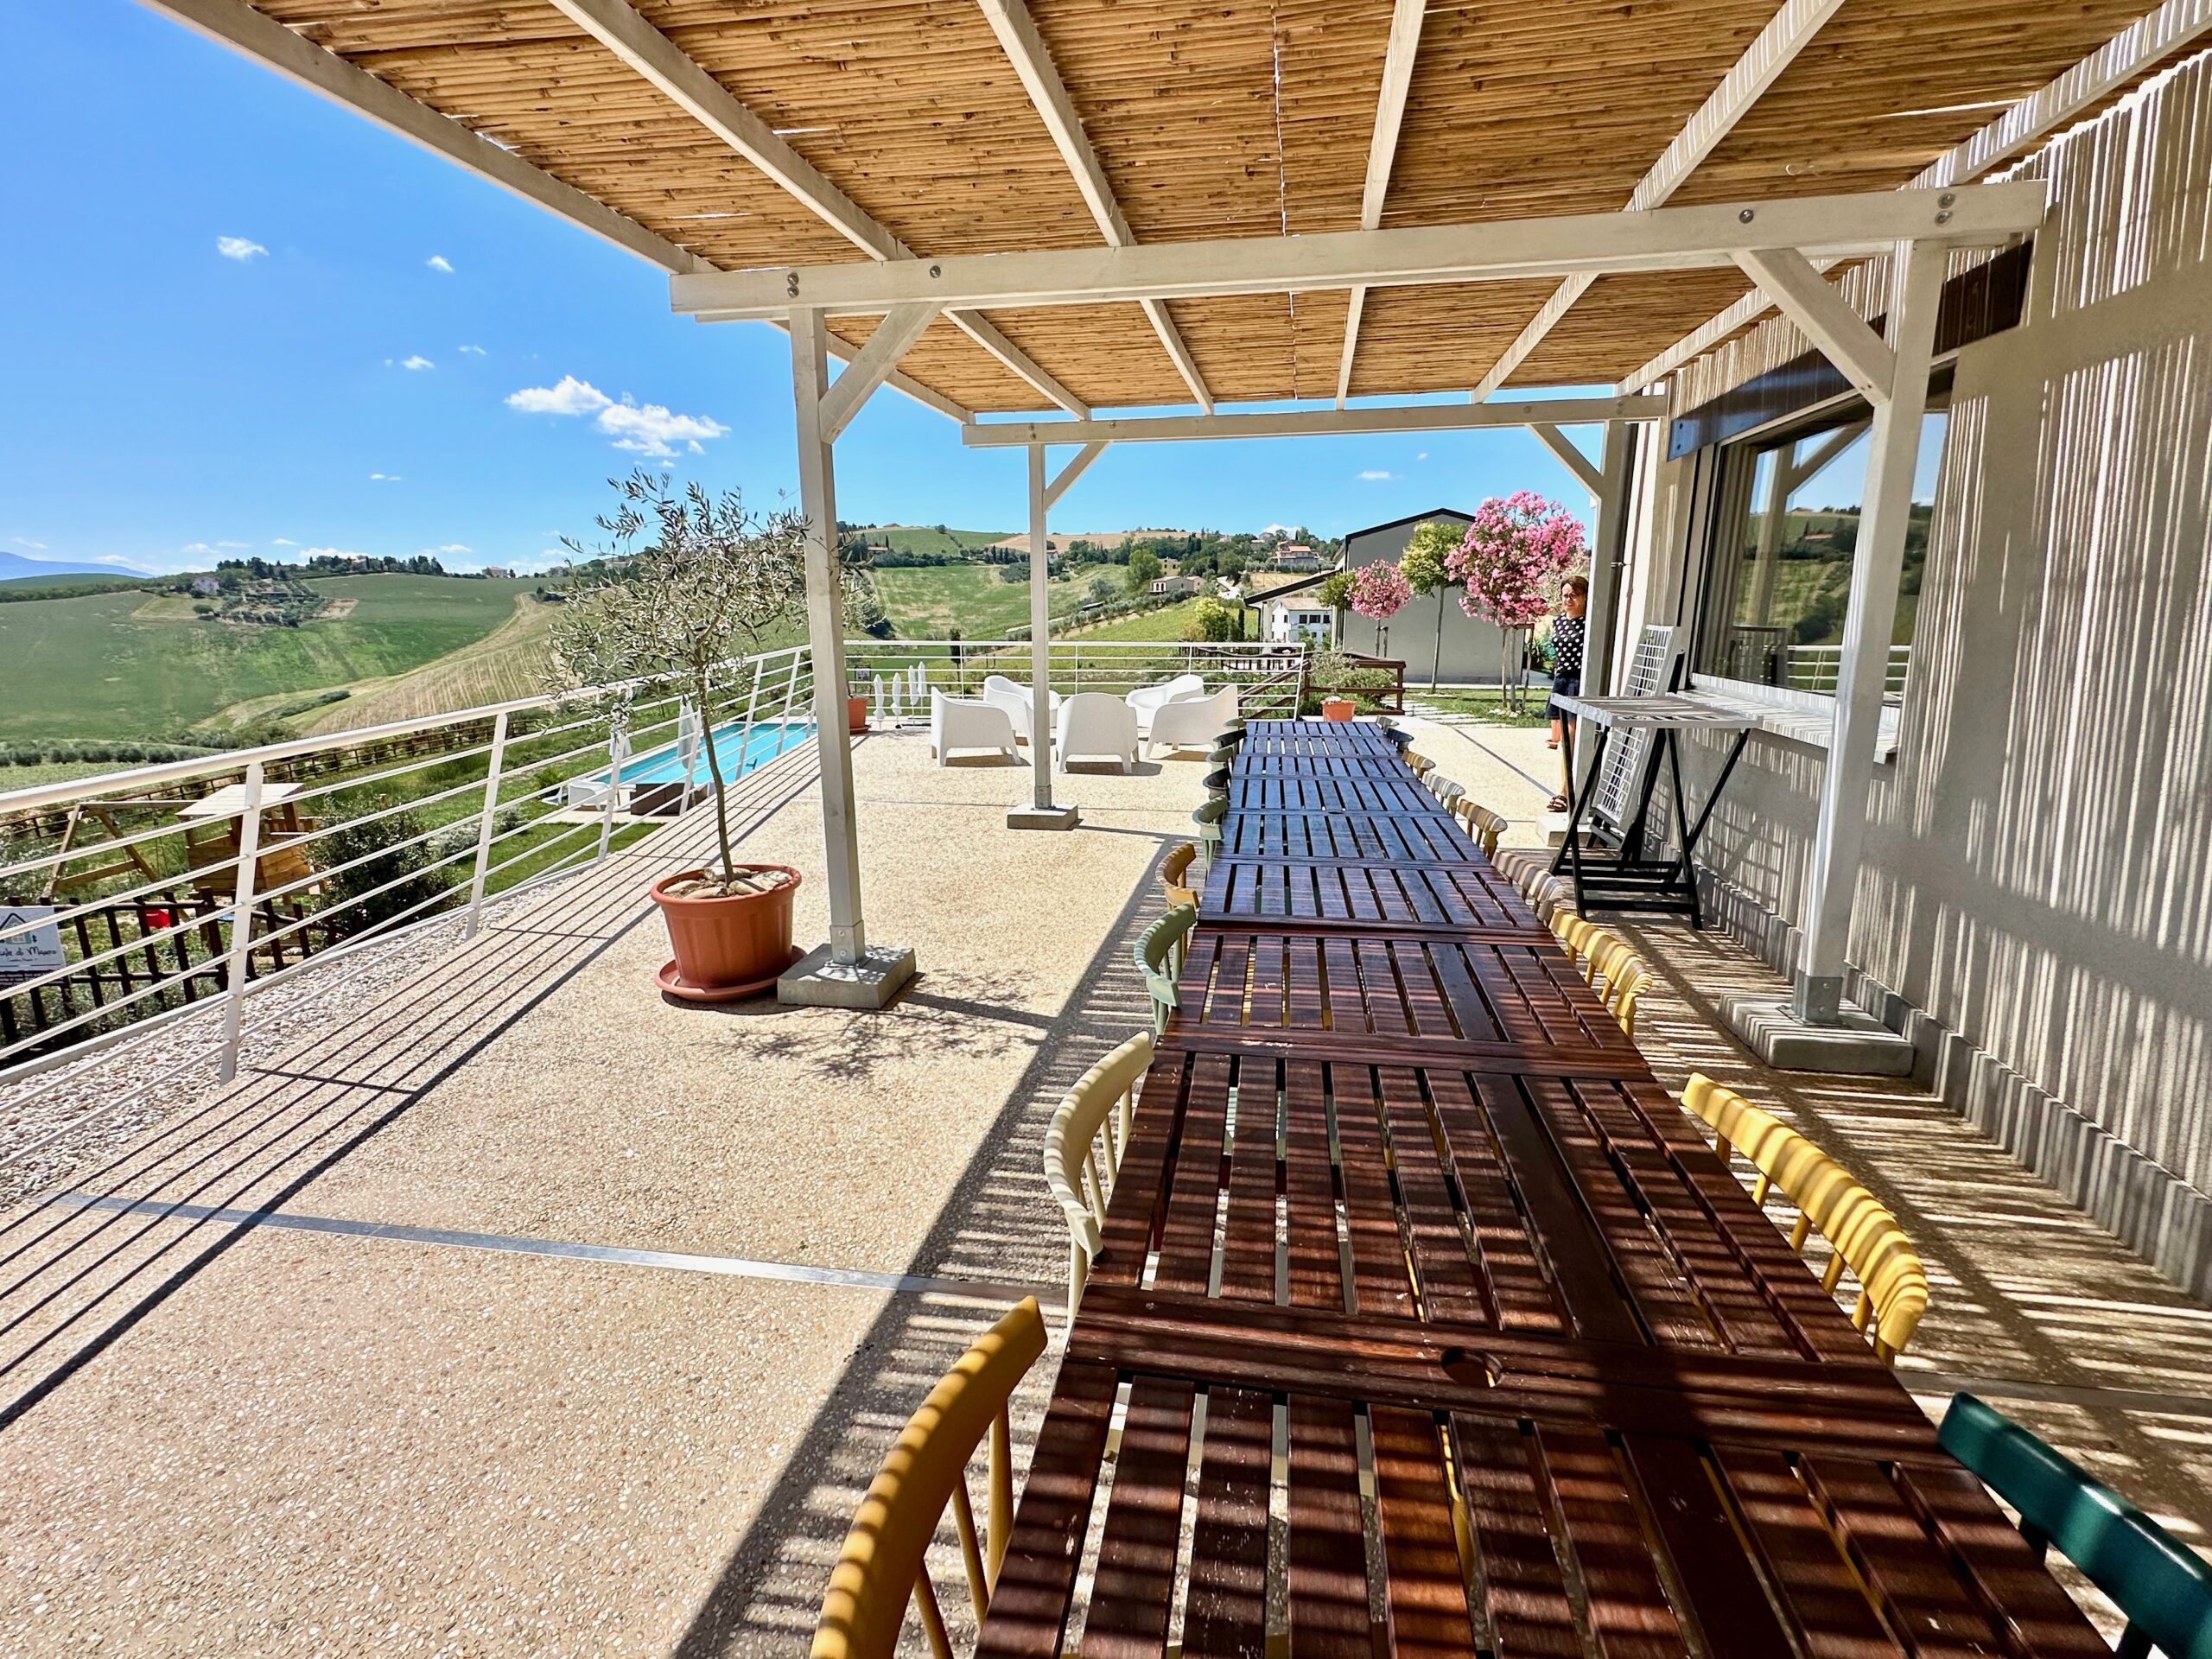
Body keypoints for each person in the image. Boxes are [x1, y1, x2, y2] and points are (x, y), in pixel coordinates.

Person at [1545, 573, 1588, 811]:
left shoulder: (1589, 623)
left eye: (1574, 595)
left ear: (1584, 597)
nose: (1569, 600)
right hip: (1561, 680)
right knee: (1562, 740)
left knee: (1570, 739)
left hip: (1578, 681)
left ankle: (1564, 791)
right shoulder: (1559, 621)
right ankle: (1564, 788)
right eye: (1565, 596)